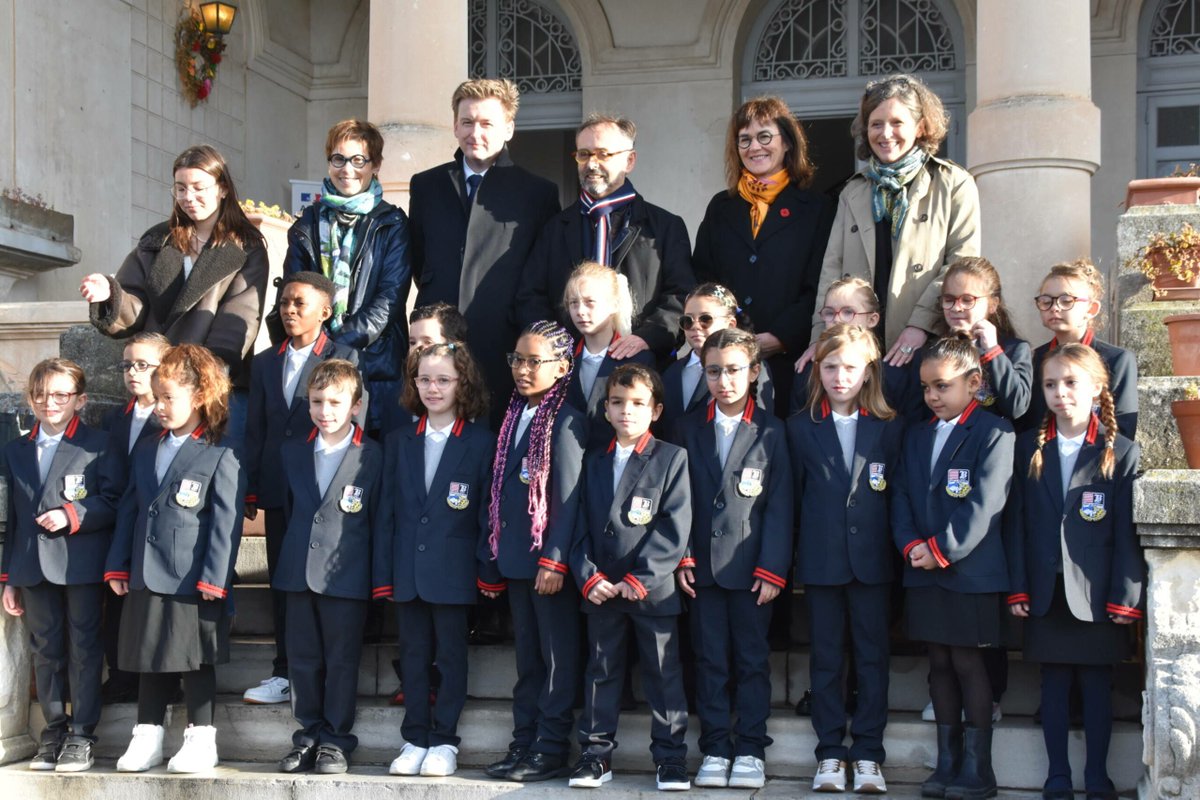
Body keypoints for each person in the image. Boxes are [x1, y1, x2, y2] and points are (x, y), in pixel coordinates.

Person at [1006, 344, 1144, 800]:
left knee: (1097, 686)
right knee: (1054, 684)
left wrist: (1126, 596)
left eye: (1071, 383)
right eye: (1050, 384)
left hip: (1097, 591)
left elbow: (1127, 533)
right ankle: (1058, 775)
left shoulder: (1120, 452)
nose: (1060, 393)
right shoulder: (1028, 447)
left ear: (1097, 389)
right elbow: (1017, 525)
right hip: (1046, 590)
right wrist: (1019, 587)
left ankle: (1099, 777)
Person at [105, 344, 245, 774]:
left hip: (193, 579)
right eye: (157, 397)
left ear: (199, 397)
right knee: (150, 656)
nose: (160, 407)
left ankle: (201, 740)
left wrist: (214, 579)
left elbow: (227, 522)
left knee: (194, 659)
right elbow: (131, 506)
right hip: (148, 573)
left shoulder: (220, 453)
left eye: (169, 398)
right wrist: (118, 563)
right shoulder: (146, 448)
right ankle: (146, 736)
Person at [81, 145, 268, 450]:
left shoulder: (246, 245)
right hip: (157, 382)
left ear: (222, 189)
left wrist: (198, 380)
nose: (188, 197)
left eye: (198, 188)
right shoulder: (158, 239)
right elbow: (135, 305)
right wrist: (110, 296)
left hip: (214, 386)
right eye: (180, 188)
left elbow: (239, 320)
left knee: (207, 473)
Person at [892, 335, 1014, 800]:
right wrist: (909, 546)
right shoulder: (918, 433)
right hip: (921, 567)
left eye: (942, 386)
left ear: (974, 382)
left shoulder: (993, 432)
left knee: (968, 661)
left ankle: (978, 768)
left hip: (968, 569)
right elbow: (901, 492)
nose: (932, 396)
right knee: (938, 662)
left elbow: (985, 503)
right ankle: (946, 762)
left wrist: (941, 549)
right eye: (925, 388)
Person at [786, 325, 903, 794]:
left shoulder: (890, 426)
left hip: (873, 564)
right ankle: (830, 752)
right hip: (821, 563)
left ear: (868, 372)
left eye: (850, 367)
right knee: (827, 659)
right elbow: (792, 501)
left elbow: (898, 494)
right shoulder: (800, 428)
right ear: (818, 370)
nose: (839, 376)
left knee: (873, 658)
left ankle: (870, 752)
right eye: (830, 367)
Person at [675, 329, 791, 790]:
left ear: (755, 371)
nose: (724, 380)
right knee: (709, 661)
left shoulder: (772, 430)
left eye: (735, 370)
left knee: (751, 660)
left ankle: (750, 747)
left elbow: (781, 506)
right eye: (714, 371)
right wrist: (682, 555)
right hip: (701, 569)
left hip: (750, 571)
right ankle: (716, 747)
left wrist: (772, 568)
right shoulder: (686, 428)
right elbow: (675, 498)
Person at [802, 73, 981, 372]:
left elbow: (962, 264)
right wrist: (821, 335)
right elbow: (832, 270)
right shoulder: (853, 191)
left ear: (920, 126)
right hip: (857, 345)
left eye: (897, 122)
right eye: (876, 124)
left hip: (927, 342)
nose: (886, 134)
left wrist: (921, 324)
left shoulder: (953, 183)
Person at [409, 79, 560, 428]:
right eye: (467, 122)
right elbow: (420, 261)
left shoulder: (537, 193)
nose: (475, 132)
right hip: (438, 344)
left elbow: (541, 273)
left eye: (487, 123)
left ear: (508, 129)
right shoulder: (426, 185)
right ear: (455, 125)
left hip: (501, 343)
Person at [570, 363, 692, 791]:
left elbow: (674, 529)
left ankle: (671, 758)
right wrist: (588, 576)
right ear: (605, 409)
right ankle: (595, 754)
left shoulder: (671, 458)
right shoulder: (592, 460)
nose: (627, 411)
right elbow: (578, 524)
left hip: (651, 592)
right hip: (601, 590)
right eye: (618, 403)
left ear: (656, 410)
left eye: (638, 403)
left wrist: (640, 579)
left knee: (663, 674)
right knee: (601, 670)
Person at [242, 272, 360, 706]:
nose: (289, 310)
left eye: (300, 303)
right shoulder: (265, 362)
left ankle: (326, 668)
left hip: (325, 488)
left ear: (325, 311)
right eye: (285, 303)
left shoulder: (345, 355)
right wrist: (253, 486)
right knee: (283, 580)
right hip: (279, 486)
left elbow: (353, 422)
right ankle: (282, 669)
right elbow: (256, 429)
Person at [378, 342, 494, 778]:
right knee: (412, 655)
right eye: (424, 378)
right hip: (406, 572)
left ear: (462, 383)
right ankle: (414, 738)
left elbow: (485, 513)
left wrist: (486, 570)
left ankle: (444, 740)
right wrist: (384, 574)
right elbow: (387, 511)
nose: (432, 387)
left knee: (449, 658)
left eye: (443, 379)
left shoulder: (481, 442)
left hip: (454, 572)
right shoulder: (399, 440)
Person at [479, 320, 587, 782]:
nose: (522, 370)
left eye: (534, 361)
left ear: (562, 367)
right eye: (517, 360)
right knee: (528, 661)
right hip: (518, 560)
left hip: (547, 564)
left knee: (556, 659)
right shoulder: (514, 414)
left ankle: (551, 747)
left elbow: (568, 498)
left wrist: (555, 558)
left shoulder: (565, 421)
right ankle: (524, 743)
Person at [1, 359, 118, 772]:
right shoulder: (15, 450)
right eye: (40, 394)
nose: (49, 402)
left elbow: (113, 501)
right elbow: (14, 518)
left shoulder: (98, 444)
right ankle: (53, 730)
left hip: (79, 566)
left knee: (85, 650)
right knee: (45, 652)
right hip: (31, 567)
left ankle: (82, 734)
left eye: (60, 395)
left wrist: (73, 514)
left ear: (79, 400)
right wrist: (9, 578)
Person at [692, 96, 835, 416]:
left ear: (786, 142)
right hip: (726, 361)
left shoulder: (816, 207)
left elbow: (821, 283)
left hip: (788, 361)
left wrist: (780, 337)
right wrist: (721, 332)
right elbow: (703, 277)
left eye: (764, 136)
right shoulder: (721, 207)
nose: (754, 146)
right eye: (744, 139)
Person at [273, 360, 381, 775]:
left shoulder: (373, 455)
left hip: (346, 574)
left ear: (355, 406)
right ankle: (308, 735)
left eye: (336, 402)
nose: (325, 411)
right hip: (297, 572)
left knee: (340, 659)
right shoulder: (292, 452)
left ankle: (336, 740)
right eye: (317, 401)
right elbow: (289, 510)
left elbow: (378, 519)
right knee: (302, 658)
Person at [937, 255, 1032, 727]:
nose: (958, 307)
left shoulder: (1015, 349)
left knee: (984, 605)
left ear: (991, 304)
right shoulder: (934, 351)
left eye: (968, 299)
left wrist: (992, 351)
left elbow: (1018, 406)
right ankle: (949, 694)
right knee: (947, 603)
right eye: (950, 299)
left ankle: (991, 692)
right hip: (945, 492)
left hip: (993, 495)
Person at [517, 114, 695, 365]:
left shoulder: (665, 227)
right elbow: (530, 296)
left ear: (630, 160)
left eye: (603, 154)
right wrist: (555, 344)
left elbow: (681, 295)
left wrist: (648, 338)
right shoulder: (555, 228)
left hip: (641, 367)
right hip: (568, 367)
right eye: (584, 154)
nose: (591, 164)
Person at [278, 119, 411, 437]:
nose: (347, 169)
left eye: (358, 160)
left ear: (375, 165)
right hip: (317, 367)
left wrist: (335, 347)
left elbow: (389, 300)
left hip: (375, 369)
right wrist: (317, 349)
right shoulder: (307, 224)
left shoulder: (392, 224)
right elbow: (295, 293)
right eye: (338, 159)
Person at [100, 332, 171, 706]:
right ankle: (121, 675)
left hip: (157, 524)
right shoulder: (116, 416)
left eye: (143, 365)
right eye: (128, 364)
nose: (133, 372)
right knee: (116, 605)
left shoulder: (171, 417)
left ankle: (160, 680)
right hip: (119, 521)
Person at [1018, 260, 1138, 438]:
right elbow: (1025, 423)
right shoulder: (1032, 358)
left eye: (1066, 301)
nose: (1055, 308)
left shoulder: (1117, 360)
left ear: (1091, 308)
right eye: (1046, 301)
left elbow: (1124, 432)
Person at [791, 278, 921, 420]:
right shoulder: (807, 375)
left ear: (872, 319)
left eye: (848, 312)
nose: (837, 319)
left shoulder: (894, 378)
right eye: (829, 313)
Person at [660, 283, 775, 437]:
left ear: (730, 324)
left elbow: (760, 427)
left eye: (705, 319)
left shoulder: (749, 368)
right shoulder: (671, 370)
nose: (695, 326)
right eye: (688, 320)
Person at [562, 261, 655, 450]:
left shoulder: (638, 360)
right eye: (573, 303)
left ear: (614, 305)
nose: (580, 311)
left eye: (590, 302)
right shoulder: (562, 359)